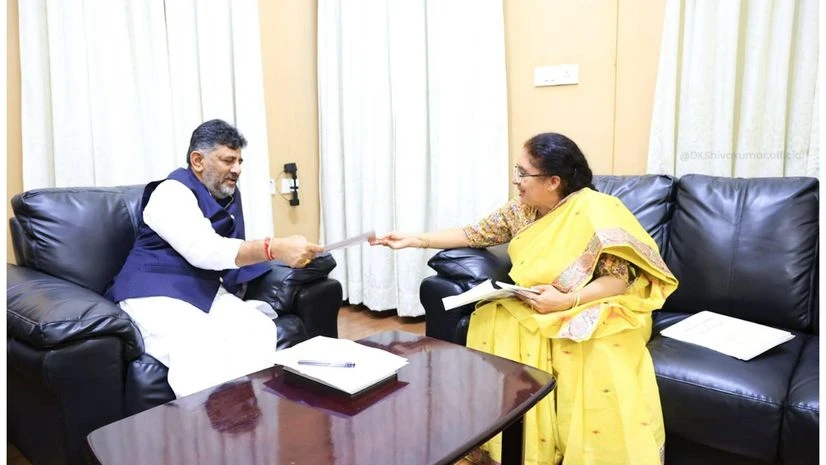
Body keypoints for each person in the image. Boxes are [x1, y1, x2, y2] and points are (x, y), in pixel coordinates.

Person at [371, 132, 678, 465]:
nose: (516, 181)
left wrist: (568, 301)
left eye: (523, 173)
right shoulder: (520, 212)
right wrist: (415, 238)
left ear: (553, 181)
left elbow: (618, 279)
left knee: (592, 346)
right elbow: (474, 234)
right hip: (534, 301)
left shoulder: (596, 209)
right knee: (495, 320)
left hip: (592, 301)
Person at [106, 119, 323, 398]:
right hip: (153, 292)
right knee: (200, 345)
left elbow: (232, 252)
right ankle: (202, 434)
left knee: (256, 328)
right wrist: (274, 248)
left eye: (240, 161)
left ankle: (244, 416)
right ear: (197, 160)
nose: (237, 169)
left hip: (202, 290)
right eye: (228, 160)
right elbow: (206, 251)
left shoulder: (228, 197)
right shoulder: (170, 193)